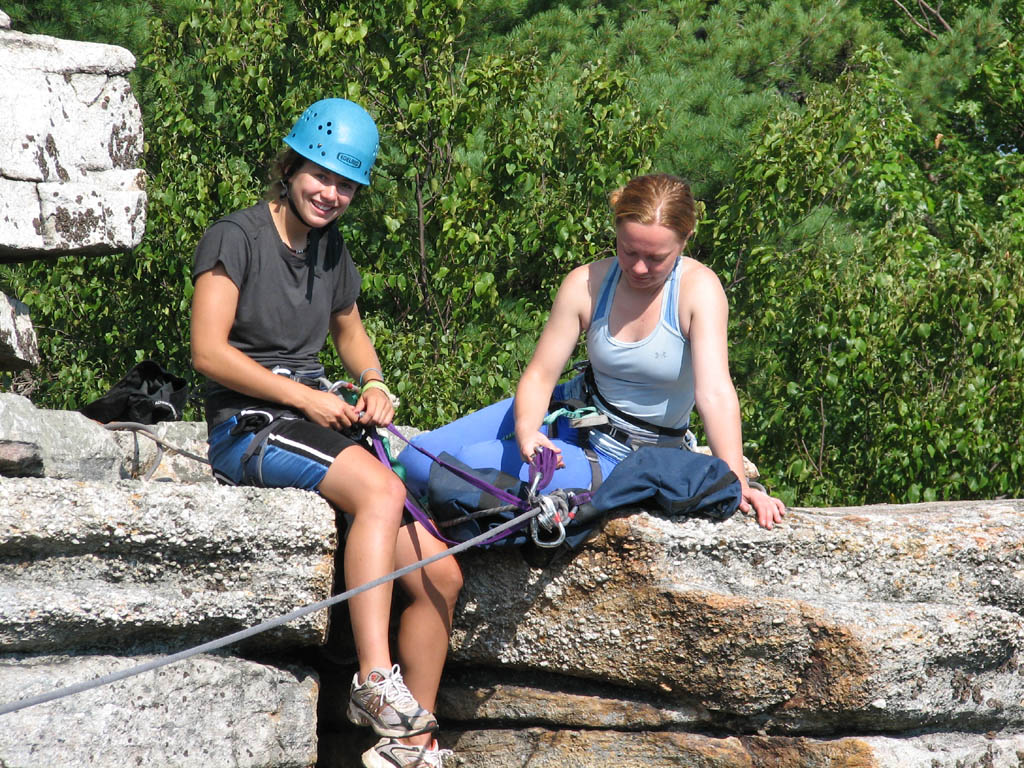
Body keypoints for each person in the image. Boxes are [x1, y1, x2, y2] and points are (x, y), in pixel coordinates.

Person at [190, 98, 460, 768]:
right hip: (249, 424)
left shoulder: (330, 250)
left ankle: (411, 747)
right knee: (378, 492)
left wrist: (372, 382)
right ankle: (373, 682)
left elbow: (350, 330)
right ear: (292, 166)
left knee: (440, 575)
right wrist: (301, 396)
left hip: (313, 414)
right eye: (322, 176)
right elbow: (208, 352)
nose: (332, 194)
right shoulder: (237, 238)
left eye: (346, 185)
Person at [400, 172, 786, 529]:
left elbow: (715, 392)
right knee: (417, 460)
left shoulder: (697, 290)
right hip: (571, 413)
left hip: (624, 455)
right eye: (628, 250)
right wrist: (527, 431)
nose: (638, 268)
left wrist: (734, 480)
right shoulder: (587, 283)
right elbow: (540, 373)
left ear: (685, 239)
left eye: (656, 258)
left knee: (463, 468)